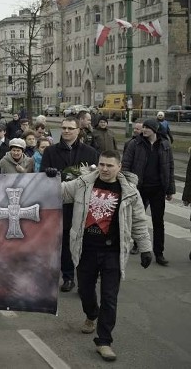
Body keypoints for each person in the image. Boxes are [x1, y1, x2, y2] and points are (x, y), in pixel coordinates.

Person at [60, 150, 153, 362]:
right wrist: (49, 178)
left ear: (119, 167)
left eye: (110, 165)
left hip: (113, 251)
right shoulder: (83, 183)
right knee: (85, 290)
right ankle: (92, 314)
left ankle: (104, 341)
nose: (104, 169)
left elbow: (138, 220)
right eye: (101, 164)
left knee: (110, 297)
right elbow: (60, 192)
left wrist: (145, 247)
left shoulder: (130, 191)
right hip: (86, 249)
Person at [41, 116, 98, 292]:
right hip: (61, 202)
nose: (66, 131)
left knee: (83, 243)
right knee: (65, 241)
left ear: (78, 130)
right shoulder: (51, 151)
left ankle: (84, 279)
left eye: (70, 128)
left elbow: (96, 177)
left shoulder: (89, 152)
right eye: (64, 128)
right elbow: (42, 176)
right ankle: (67, 276)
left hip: (82, 203)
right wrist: (48, 173)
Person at [121, 118, 175, 265]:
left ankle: (159, 253)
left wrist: (170, 189)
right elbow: (126, 165)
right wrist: (126, 186)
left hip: (158, 189)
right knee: (136, 219)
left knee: (158, 222)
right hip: (139, 189)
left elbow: (170, 167)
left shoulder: (165, 144)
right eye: (143, 127)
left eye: (147, 128)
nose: (144, 130)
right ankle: (138, 245)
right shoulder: (134, 144)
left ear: (155, 130)